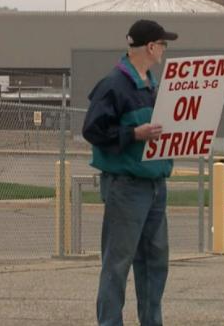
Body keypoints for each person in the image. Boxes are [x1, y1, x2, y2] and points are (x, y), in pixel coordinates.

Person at [82, 19, 179, 326]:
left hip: (154, 185)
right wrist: (134, 135)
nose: (164, 49)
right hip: (126, 186)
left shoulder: (152, 84)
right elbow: (93, 130)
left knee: (154, 264)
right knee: (118, 264)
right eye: (163, 44)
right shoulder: (114, 84)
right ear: (151, 47)